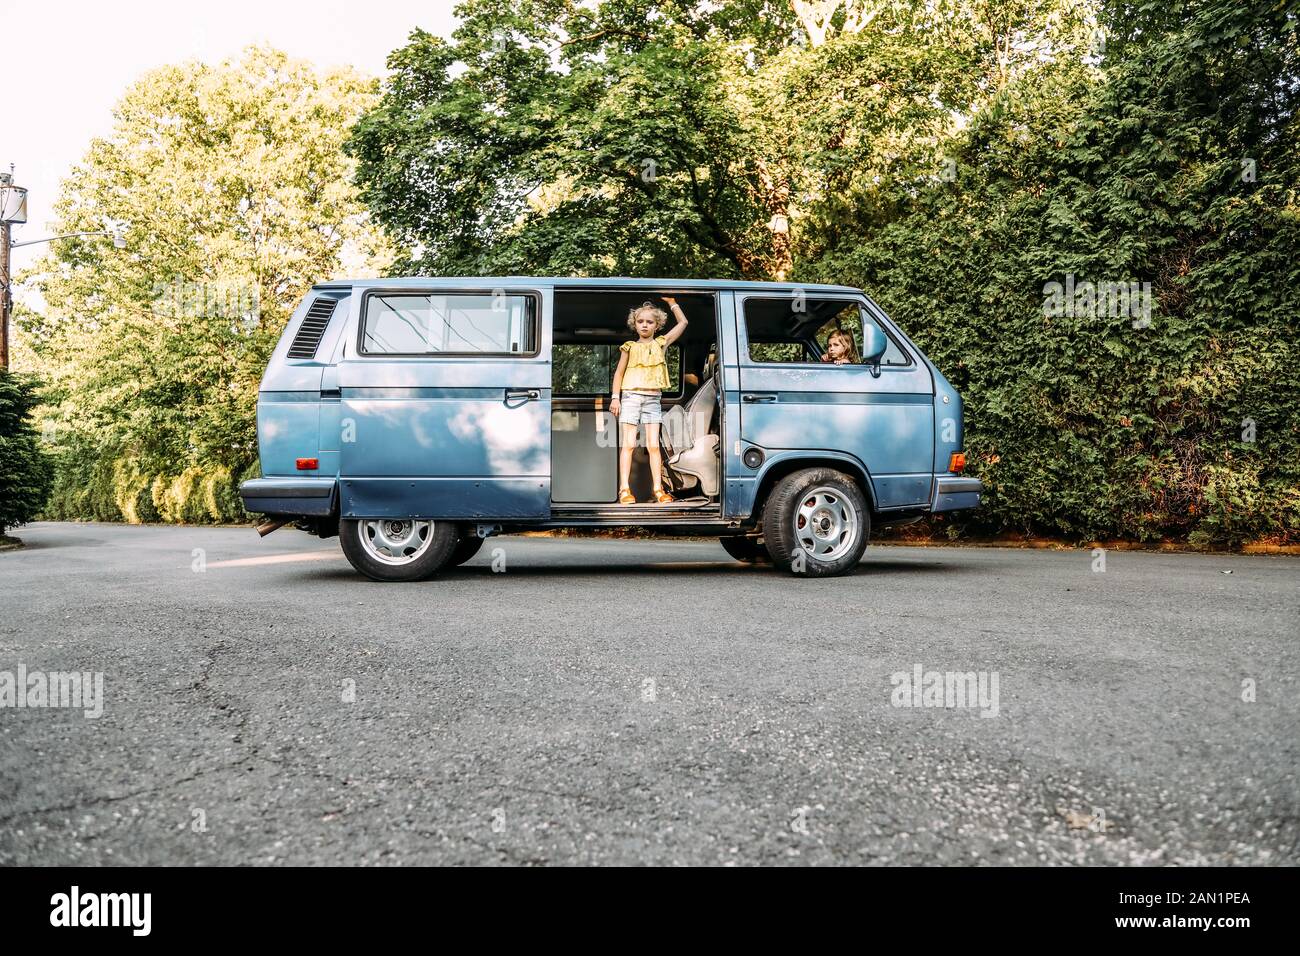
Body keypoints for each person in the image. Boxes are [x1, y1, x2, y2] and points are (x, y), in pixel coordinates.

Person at [610, 297, 689, 504]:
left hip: (653, 399)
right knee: (628, 445)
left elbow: (683, 323)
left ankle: (658, 489)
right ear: (634, 324)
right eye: (640, 321)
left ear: (657, 325)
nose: (645, 325)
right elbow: (618, 374)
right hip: (630, 397)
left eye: (650, 322)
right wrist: (615, 398)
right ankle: (624, 490)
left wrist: (672, 302)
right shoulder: (629, 347)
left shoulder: (661, 343)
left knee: (654, 445)